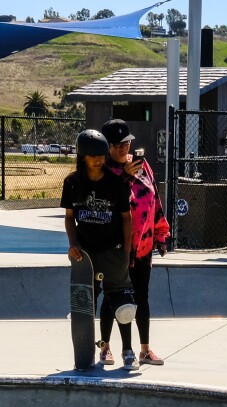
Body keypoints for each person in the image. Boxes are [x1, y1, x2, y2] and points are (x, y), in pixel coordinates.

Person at [61, 128, 135, 368]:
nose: (100, 160)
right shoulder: (72, 183)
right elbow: (70, 217)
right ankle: (98, 351)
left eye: (102, 156)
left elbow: (126, 217)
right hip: (86, 254)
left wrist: (126, 250)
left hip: (113, 251)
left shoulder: (116, 183)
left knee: (124, 308)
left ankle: (128, 351)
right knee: (84, 308)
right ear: (82, 157)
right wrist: (73, 244)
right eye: (94, 156)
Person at [101, 119, 169, 366]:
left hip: (144, 245)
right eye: (117, 145)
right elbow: (109, 202)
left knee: (141, 296)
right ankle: (105, 347)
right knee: (114, 298)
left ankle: (145, 349)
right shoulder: (105, 172)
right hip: (117, 248)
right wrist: (125, 179)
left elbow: (155, 198)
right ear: (107, 146)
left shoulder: (141, 165)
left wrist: (161, 232)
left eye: (126, 143)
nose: (123, 149)